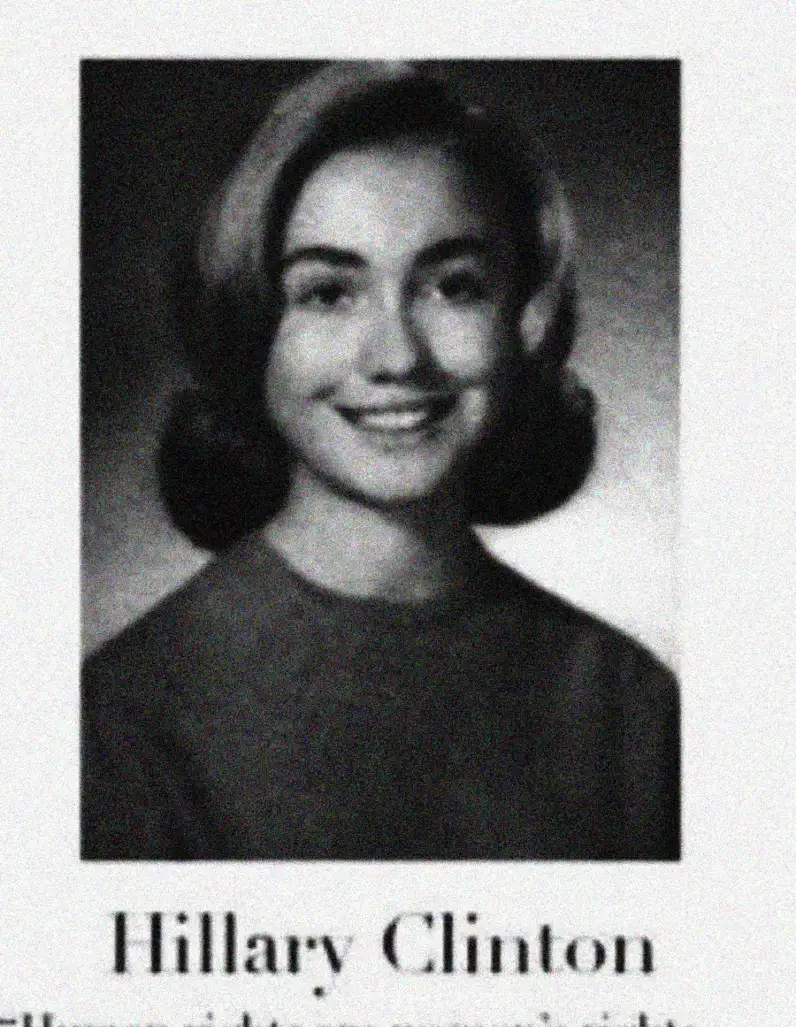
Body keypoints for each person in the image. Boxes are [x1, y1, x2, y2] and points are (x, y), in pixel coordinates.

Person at [81, 60, 679, 861]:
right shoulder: (121, 719)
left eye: (454, 286)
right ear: (249, 326)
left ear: (525, 320)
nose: (397, 357)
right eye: (329, 293)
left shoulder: (627, 705)